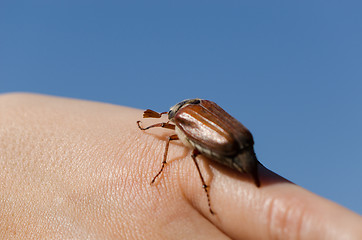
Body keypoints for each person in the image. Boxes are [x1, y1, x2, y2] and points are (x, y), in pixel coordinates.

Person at [0, 93, 361, 239]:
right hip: (239, 142)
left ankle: (207, 188)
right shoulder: (200, 105)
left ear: (173, 115)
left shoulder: (181, 121)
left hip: (226, 149)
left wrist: (154, 139)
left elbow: (172, 133)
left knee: (187, 153)